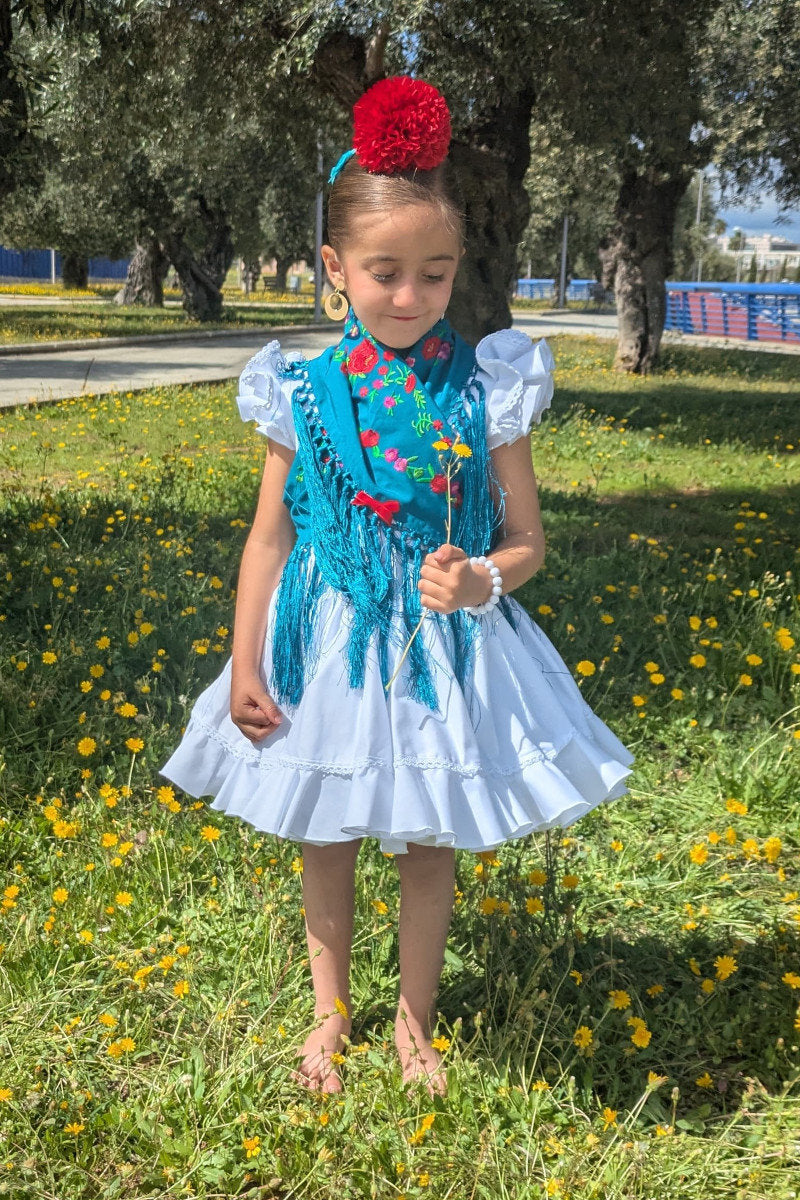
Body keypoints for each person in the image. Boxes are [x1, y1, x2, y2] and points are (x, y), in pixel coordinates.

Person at [158, 75, 635, 1099]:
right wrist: (245, 658)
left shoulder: (486, 387)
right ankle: (330, 1015)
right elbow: (267, 539)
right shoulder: (299, 388)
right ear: (334, 269)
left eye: (435, 272)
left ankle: (415, 1022)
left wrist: (479, 581)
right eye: (384, 273)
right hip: (326, 642)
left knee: (426, 839)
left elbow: (526, 542)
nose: (411, 296)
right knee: (324, 833)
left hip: (440, 650)